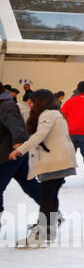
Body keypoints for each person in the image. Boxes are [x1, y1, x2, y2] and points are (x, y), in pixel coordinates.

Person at [8, 89, 79, 247]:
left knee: (48, 197)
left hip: (54, 161)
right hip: (59, 160)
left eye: (33, 101)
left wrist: (20, 150)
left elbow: (40, 135)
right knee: (51, 196)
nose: (30, 104)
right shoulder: (55, 113)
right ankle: (48, 231)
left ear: (41, 101)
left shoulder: (48, 114)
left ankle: (41, 234)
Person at [0, 85, 41, 218]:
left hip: (9, 154)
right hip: (13, 153)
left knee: (30, 184)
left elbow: (16, 126)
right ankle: (53, 212)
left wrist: (19, 144)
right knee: (30, 184)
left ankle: (52, 212)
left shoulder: (6, 105)